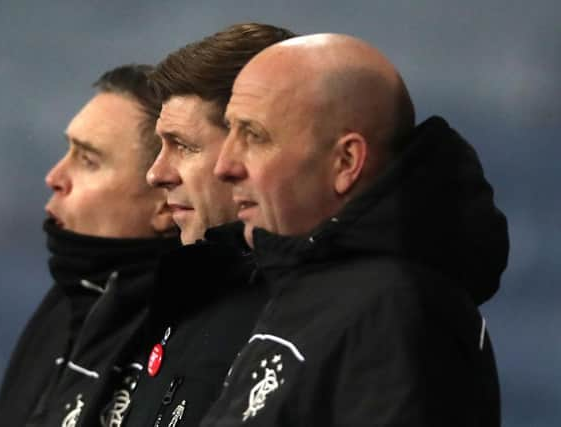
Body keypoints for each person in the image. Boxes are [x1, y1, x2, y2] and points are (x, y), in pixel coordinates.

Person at [202, 34, 509, 426]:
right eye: (229, 130)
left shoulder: (397, 312)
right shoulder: (312, 289)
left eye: (255, 136)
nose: (224, 165)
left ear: (346, 162)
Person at [94, 23, 297, 427]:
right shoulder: (186, 292)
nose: (156, 174)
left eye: (184, 146)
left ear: (252, 146)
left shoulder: (296, 313)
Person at [0, 64, 179, 427]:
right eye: (68, 151)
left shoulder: (192, 332)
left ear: (166, 200)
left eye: (88, 160)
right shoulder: (64, 303)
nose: (55, 177)